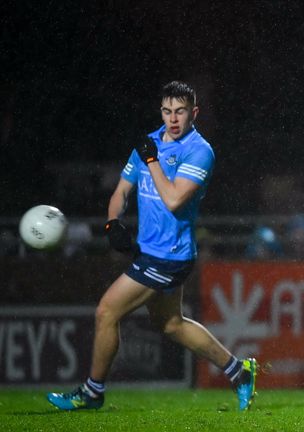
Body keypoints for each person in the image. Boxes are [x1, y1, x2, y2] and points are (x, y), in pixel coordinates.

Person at [46, 81, 259, 411]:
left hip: (170, 256)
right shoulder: (149, 143)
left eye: (180, 112)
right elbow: (120, 192)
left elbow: (173, 200)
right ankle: (240, 371)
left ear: (194, 113)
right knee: (170, 324)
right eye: (167, 111)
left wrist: (155, 161)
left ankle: (92, 392)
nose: (173, 119)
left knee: (106, 311)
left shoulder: (199, 151)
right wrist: (113, 222)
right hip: (150, 252)